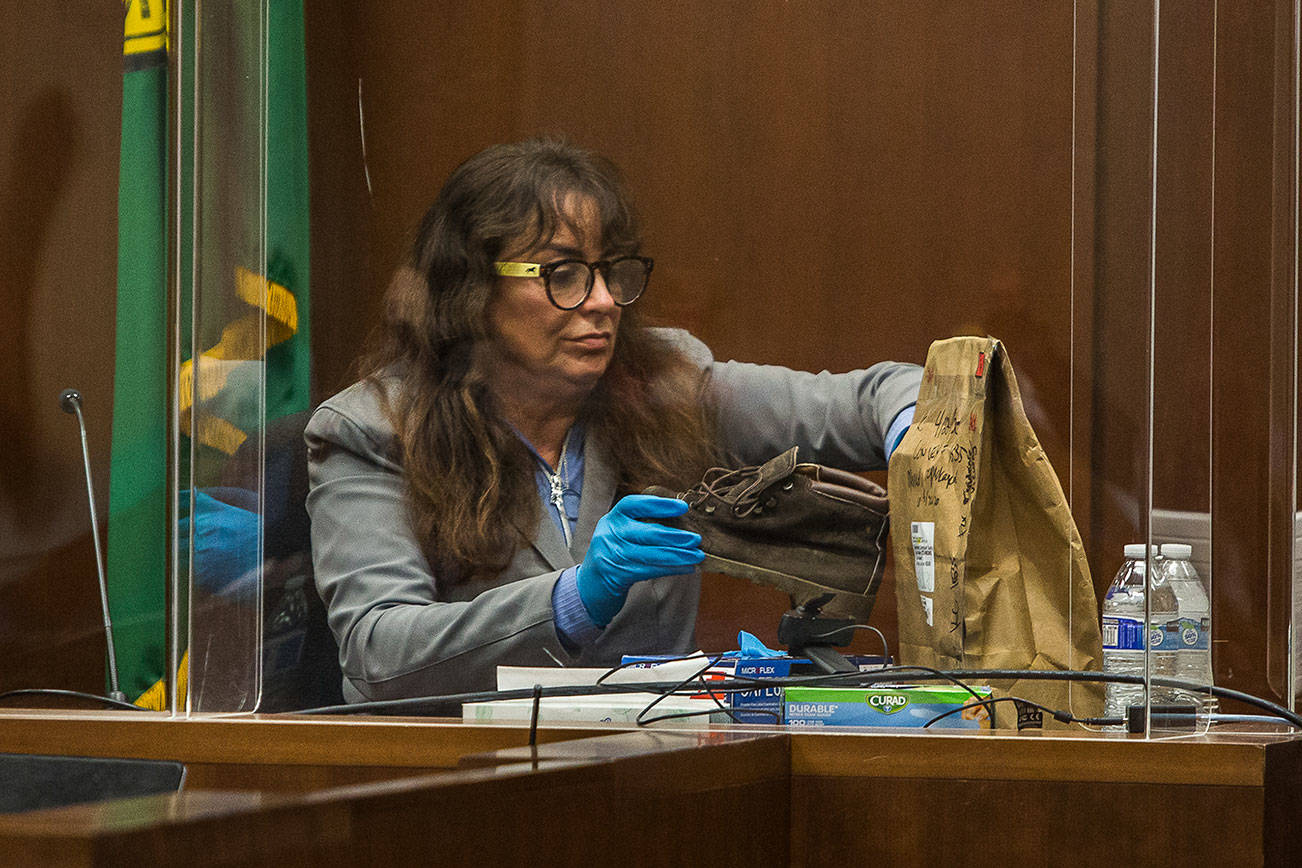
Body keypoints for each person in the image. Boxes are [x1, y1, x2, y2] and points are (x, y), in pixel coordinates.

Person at [305, 138, 921, 703]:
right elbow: (378, 652)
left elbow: (883, 395)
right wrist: (574, 599)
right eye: (562, 273)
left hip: (646, 774)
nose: (602, 301)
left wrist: (916, 439)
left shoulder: (663, 387)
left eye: (609, 271)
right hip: (452, 785)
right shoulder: (374, 429)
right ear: (475, 291)